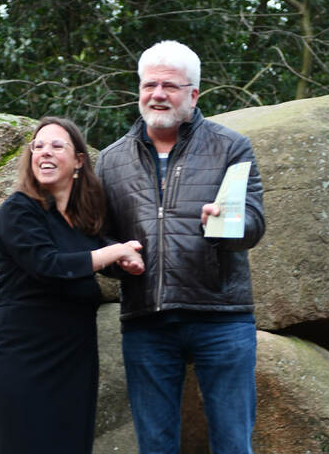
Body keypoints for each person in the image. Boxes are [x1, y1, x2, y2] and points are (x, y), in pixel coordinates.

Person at [95, 40, 266, 454]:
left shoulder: (231, 147)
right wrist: (120, 259)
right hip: (146, 322)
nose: (157, 94)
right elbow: (99, 237)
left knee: (233, 444)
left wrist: (227, 224)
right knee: (155, 446)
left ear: (193, 94)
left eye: (169, 86)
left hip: (222, 317)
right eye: (149, 85)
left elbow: (254, 222)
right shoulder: (111, 160)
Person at [0, 116, 144, 454]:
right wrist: (114, 251)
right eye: (38, 146)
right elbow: (50, 266)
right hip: (22, 360)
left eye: (57, 146)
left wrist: (125, 261)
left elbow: (96, 256)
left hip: (73, 362)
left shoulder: (83, 218)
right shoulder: (18, 211)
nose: (44, 153)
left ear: (79, 161)